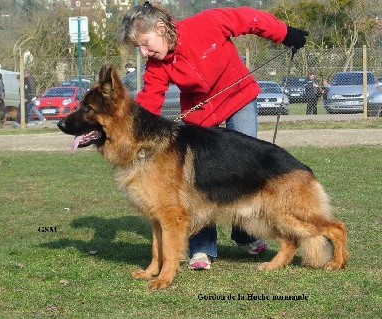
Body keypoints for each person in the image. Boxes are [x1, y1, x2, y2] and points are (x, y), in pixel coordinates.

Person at [120, 2, 308, 270]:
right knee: (198, 180)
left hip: (239, 97)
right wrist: (134, 133)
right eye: (138, 47)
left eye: (145, 43)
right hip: (200, 113)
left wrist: (285, 33)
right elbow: (150, 102)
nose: (143, 51)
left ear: (161, 28)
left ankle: (246, 232)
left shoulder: (207, 23)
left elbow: (248, 18)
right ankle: (202, 248)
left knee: (246, 167)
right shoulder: (157, 65)